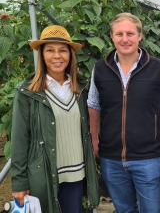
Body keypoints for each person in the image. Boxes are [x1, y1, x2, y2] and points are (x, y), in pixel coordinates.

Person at [87, 12, 160, 212]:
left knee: (153, 210)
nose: (125, 39)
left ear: (140, 35)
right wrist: (94, 139)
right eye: (119, 34)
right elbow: (93, 105)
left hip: (148, 158)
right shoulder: (99, 69)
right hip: (111, 158)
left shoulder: (158, 68)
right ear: (111, 36)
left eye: (130, 33)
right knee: (124, 209)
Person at [11, 25, 99, 213]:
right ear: (42, 55)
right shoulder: (28, 92)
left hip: (76, 174)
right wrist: (19, 182)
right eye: (50, 50)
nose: (57, 56)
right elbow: (20, 139)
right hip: (44, 174)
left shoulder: (82, 88)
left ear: (70, 55)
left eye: (62, 51)